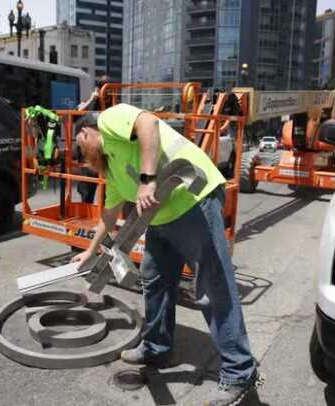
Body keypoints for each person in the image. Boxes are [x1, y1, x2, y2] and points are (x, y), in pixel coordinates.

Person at [71, 104, 260, 405]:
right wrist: (89, 252)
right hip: (160, 217)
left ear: (84, 132)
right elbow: (108, 214)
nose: (83, 161)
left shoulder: (109, 119)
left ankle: (240, 371)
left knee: (212, 286)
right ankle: (157, 347)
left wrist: (148, 181)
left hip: (192, 199)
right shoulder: (113, 168)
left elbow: (148, 123)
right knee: (155, 279)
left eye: (80, 152)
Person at [75, 75, 112, 204]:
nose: (107, 90)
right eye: (103, 86)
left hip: (108, 152)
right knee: (87, 188)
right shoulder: (91, 101)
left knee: (109, 190)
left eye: (109, 87)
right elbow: (77, 116)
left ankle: (105, 217)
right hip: (89, 152)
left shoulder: (115, 103)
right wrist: (93, 98)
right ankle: (85, 216)